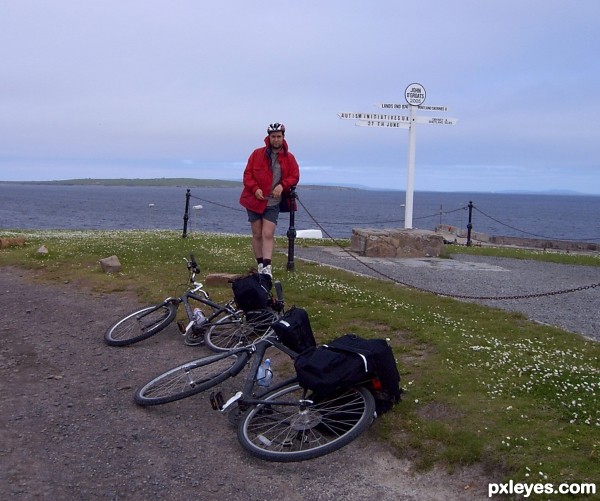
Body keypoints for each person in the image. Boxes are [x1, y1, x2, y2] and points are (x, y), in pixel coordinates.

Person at [239, 123, 300, 277]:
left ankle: (267, 266)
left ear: (283, 137)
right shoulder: (256, 154)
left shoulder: (289, 158)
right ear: (269, 137)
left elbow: (294, 176)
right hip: (254, 200)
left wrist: (282, 186)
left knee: (268, 233)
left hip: (273, 202)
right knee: (257, 233)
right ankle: (260, 264)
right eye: (273, 136)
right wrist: (255, 189)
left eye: (279, 136)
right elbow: (247, 175)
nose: (276, 140)